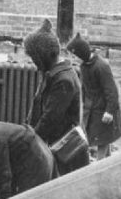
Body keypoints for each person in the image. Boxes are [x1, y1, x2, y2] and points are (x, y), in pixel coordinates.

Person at [24, 19, 88, 174]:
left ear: (42, 56)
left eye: (34, 57)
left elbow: (49, 119)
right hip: (59, 150)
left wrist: (28, 142)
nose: (33, 62)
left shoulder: (63, 80)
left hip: (67, 154)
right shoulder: (54, 74)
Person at [66, 33, 121, 159]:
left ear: (81, 53)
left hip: (103, 110)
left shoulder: (101, 66)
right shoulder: (84, 66)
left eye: (74, 55)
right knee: (100, 139)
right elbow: (84, 89)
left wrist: (109, 111)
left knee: (102, 141)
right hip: (91, 110)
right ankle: (106, 163)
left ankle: (100, 167)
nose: (73, 59)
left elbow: (111, 91)